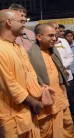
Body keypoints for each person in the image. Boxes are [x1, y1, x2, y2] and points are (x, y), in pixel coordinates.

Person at [0, 9, 43, 137]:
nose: (24, 24)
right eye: (21, 21)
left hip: (27, 110)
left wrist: (39, 91)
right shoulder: (1, 49)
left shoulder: (19, 47)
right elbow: (10, 85)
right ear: (9, 22)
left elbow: (30, 75)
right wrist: (34, 102)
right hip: (11, 114)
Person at [28, 24, 74, 138]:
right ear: (39, 37)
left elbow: (60, 76)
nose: (54, 38)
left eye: (55, 35)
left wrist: (64, 94)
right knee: (46, 132)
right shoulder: (29, 56)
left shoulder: (54, 52)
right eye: (50, 36)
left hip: (60, 98)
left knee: (68, 127)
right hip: (45, 102)